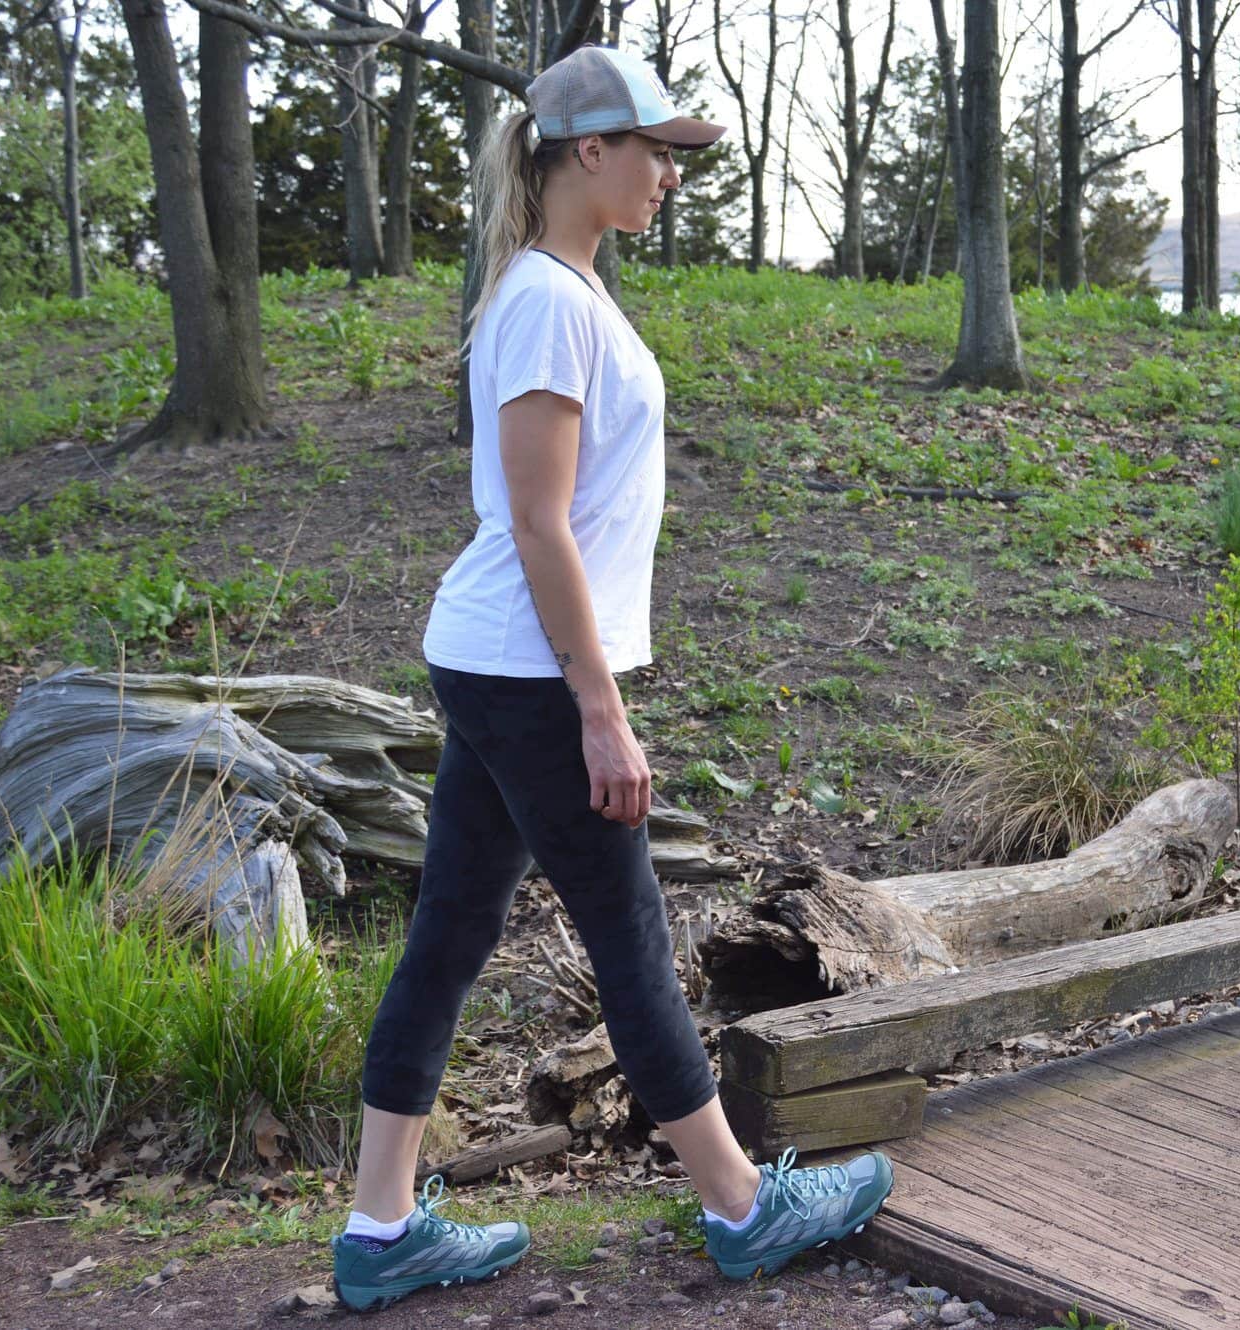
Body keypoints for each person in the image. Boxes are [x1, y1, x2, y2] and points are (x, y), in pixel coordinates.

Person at [329, 44, 894, 1313]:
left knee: (452, 934)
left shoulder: (565, 290)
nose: (670, 176)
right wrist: (598, 706)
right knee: (628, 933)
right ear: (588, 150)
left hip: (499, 662)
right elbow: (540, 522)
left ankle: (378, 1229)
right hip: (526, 670)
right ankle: (742, 1207)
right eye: (655, 151)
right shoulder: (543, 299)